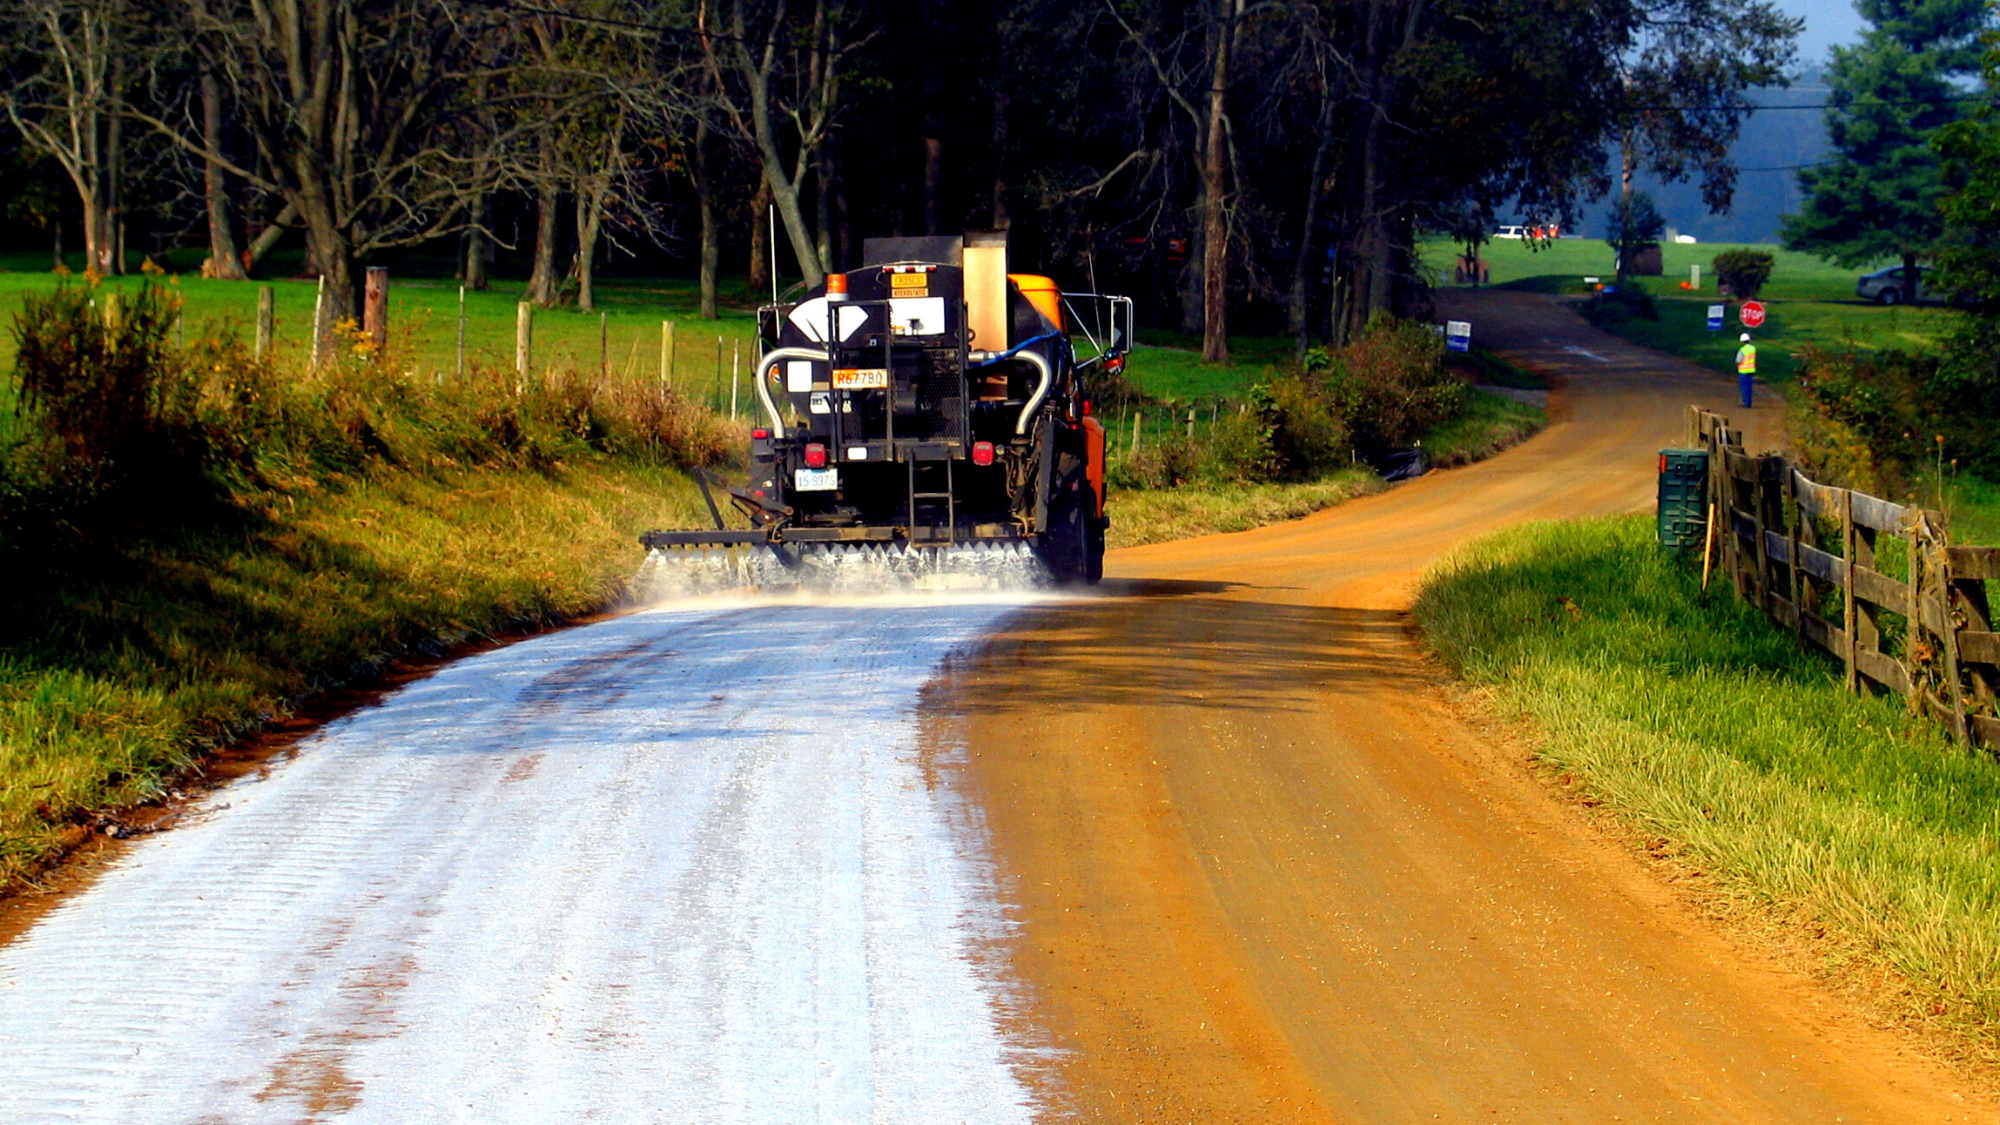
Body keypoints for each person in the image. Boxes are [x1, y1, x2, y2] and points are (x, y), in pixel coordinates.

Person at [1735, 333, 1757, 408]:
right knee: (1749, 387)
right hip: (1751, 370)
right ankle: (1749, 402)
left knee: (1744, 387)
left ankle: (1745, 402)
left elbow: (1738, 360)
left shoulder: (1742, 350)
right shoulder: (1753, 348)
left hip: (1743, 371)